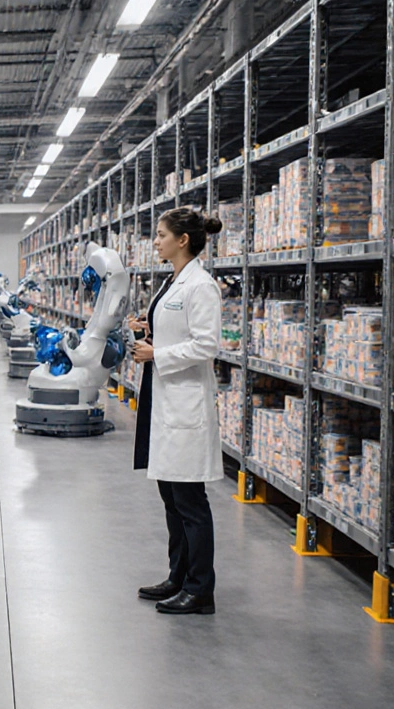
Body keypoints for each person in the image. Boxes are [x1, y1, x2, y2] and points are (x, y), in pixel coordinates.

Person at [128, 208, 224, 615]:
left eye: (161, 234)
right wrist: (148, 332)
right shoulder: (173, 281)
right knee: (170, 494)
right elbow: (177, 330)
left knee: (189, 500)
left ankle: (201, 589)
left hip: (185, 401)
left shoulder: (201, 286)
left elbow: (206, 345)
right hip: (165, 395)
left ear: (183, 240)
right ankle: (178, 576)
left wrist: (158, 352)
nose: (156, 241)